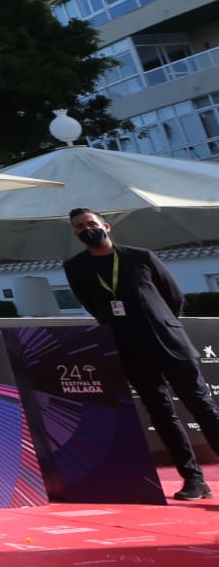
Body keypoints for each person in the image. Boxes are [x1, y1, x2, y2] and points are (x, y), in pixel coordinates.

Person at [62, 207, 219, 501]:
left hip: (169, 342)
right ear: (75, 232)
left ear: (106, 226)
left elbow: (174, 296)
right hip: (129, 348)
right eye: (80, 226)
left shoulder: (141, 257)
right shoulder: (75, 267)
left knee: (202, 407)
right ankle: (194, 480)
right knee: (161, 414)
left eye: (92, 223)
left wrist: (160, 323)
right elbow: (92, 305)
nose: (87, 229)